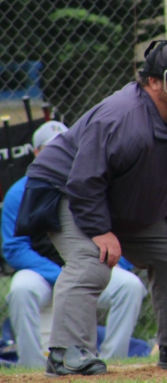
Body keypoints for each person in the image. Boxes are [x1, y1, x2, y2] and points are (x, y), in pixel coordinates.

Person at [19, 40, 167, 375]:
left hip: (114, 194)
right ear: (153, 82)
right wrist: (100, 230)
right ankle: (67, 354)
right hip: (64, 188)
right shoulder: (122, 118)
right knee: (92, 261)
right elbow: (84, 181)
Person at [2, 122, 146, 368]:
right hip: (42, 275)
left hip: (90, 269)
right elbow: (14, 248)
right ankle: (32, 365)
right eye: (50, 147)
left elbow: (117, 233)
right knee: (21, 290)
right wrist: (61, 276)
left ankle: (115, 361)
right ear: (37, 153)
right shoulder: (20, 191)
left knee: (130, 285)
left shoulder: (93, 184)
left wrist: (115, 264)